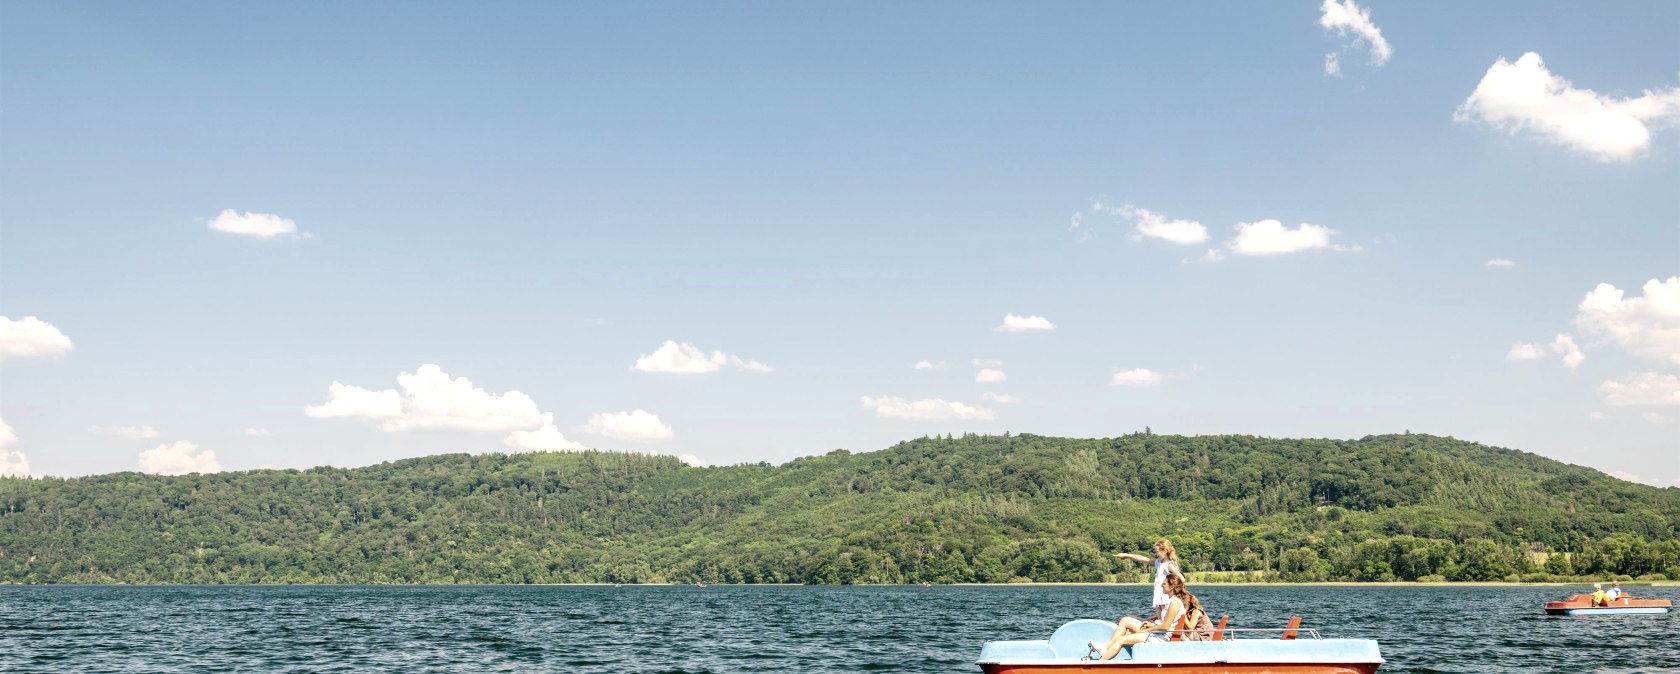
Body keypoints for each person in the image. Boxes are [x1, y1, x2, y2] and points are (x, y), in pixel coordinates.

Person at [1088, 574, 1194, 659]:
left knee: (1121, 640)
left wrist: (1149, 629)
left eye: (1164, 584)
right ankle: (1105, 648)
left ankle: (1099, 665)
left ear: (1171, 587)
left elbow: (1165, 627)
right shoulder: (1171, 601)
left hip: (1159, 637)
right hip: (1156, 632)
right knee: (1125, 620)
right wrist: (1151, 624)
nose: (1162, 585)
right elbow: (1163, 624)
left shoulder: (1175, 603)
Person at [1111, 538, 1185, 626]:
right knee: (1160, 616)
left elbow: (1182, 579)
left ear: (1165, 551)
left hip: (1165, 593)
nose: (1156, 554)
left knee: (1164, 616)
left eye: (1157, 552)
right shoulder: (1158, 562)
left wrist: (1175, 588)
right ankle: (1158, 629)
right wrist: (1126, 555)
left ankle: (1163, 631)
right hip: (1158, 592)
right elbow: (1142, 558)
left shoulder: (1169, 565)